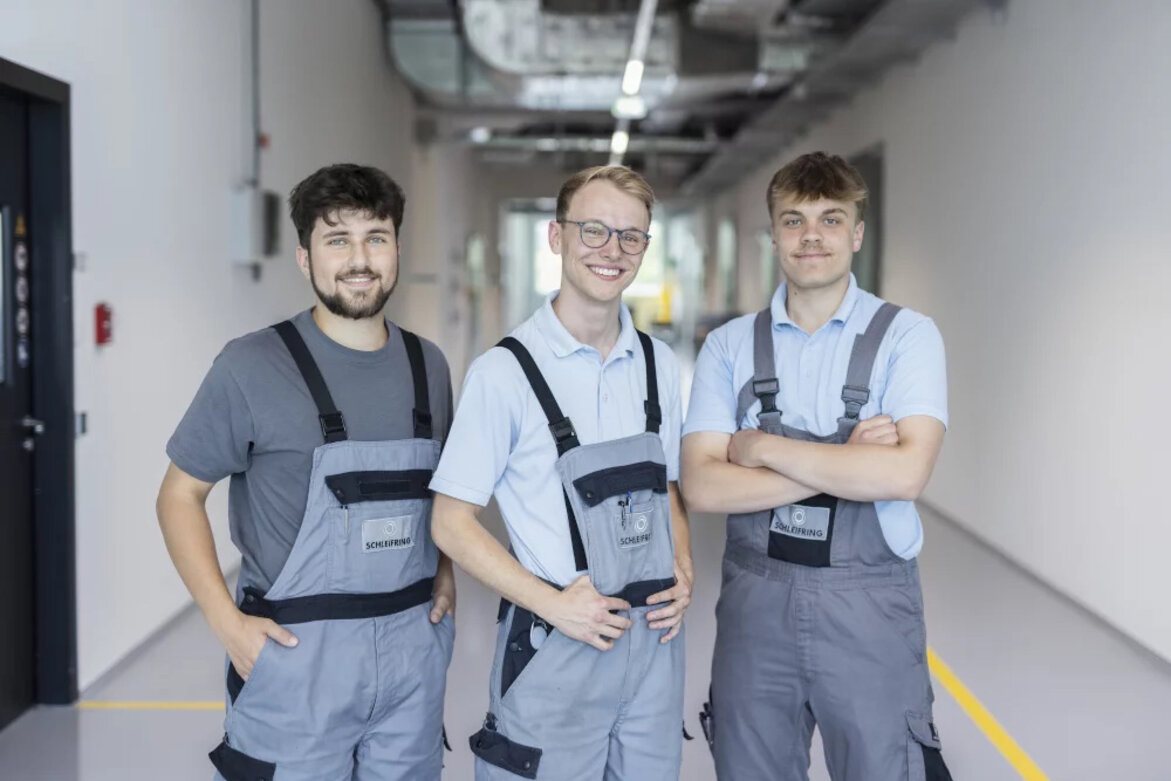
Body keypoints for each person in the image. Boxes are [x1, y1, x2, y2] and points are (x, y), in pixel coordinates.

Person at [156, 163, 456, 780]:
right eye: (336, 239)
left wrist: (446, 574)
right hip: (295, 663)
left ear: (397, 247)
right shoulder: (250, 365)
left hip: (412, 661)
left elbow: (445, 493)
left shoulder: (430, 367)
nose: (359, 259)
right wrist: (226, 623)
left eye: (376, 236)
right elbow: (179, 496)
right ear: (304, 257)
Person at [682, 151, 953, 781]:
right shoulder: (728, 346)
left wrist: (756, 447)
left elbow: (904, 475)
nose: (811, 236)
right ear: (773, 234)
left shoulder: (908, 337)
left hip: (870, 613)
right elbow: (702, 484)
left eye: (831, 220)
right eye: (793, 220)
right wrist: (846, 460)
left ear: (857, 234)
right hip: (757, 608)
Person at [430, 165, 693, 780]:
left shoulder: (658, 363)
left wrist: (685, 566)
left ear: (645, 249)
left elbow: (669, 489)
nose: (612, 251)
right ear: (557, 237)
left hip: (653, 649)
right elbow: (450, 521)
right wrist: (553, 605)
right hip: (557, 647)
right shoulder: (504, 374)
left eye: (632, 237)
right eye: (594, 230)